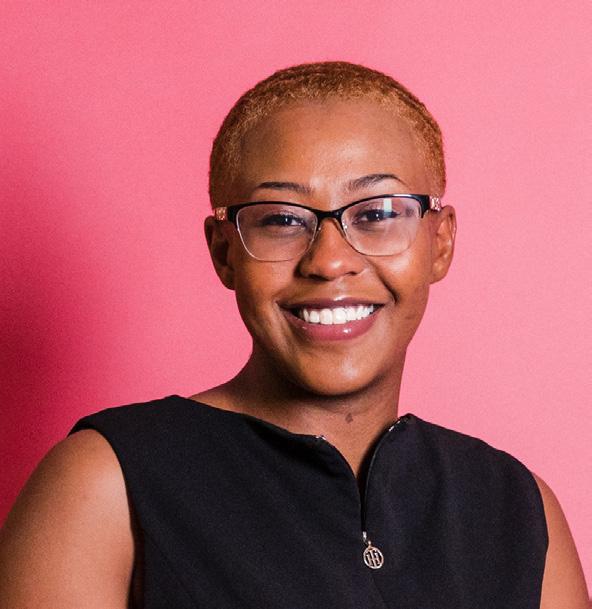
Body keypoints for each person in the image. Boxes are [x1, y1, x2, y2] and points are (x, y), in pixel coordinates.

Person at [0, 61, 588, 608]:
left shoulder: (518, 509)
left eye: (377, 213)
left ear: (441, 242)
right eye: (282, 219)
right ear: (224, 252)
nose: (329, 261)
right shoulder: (107, 483)